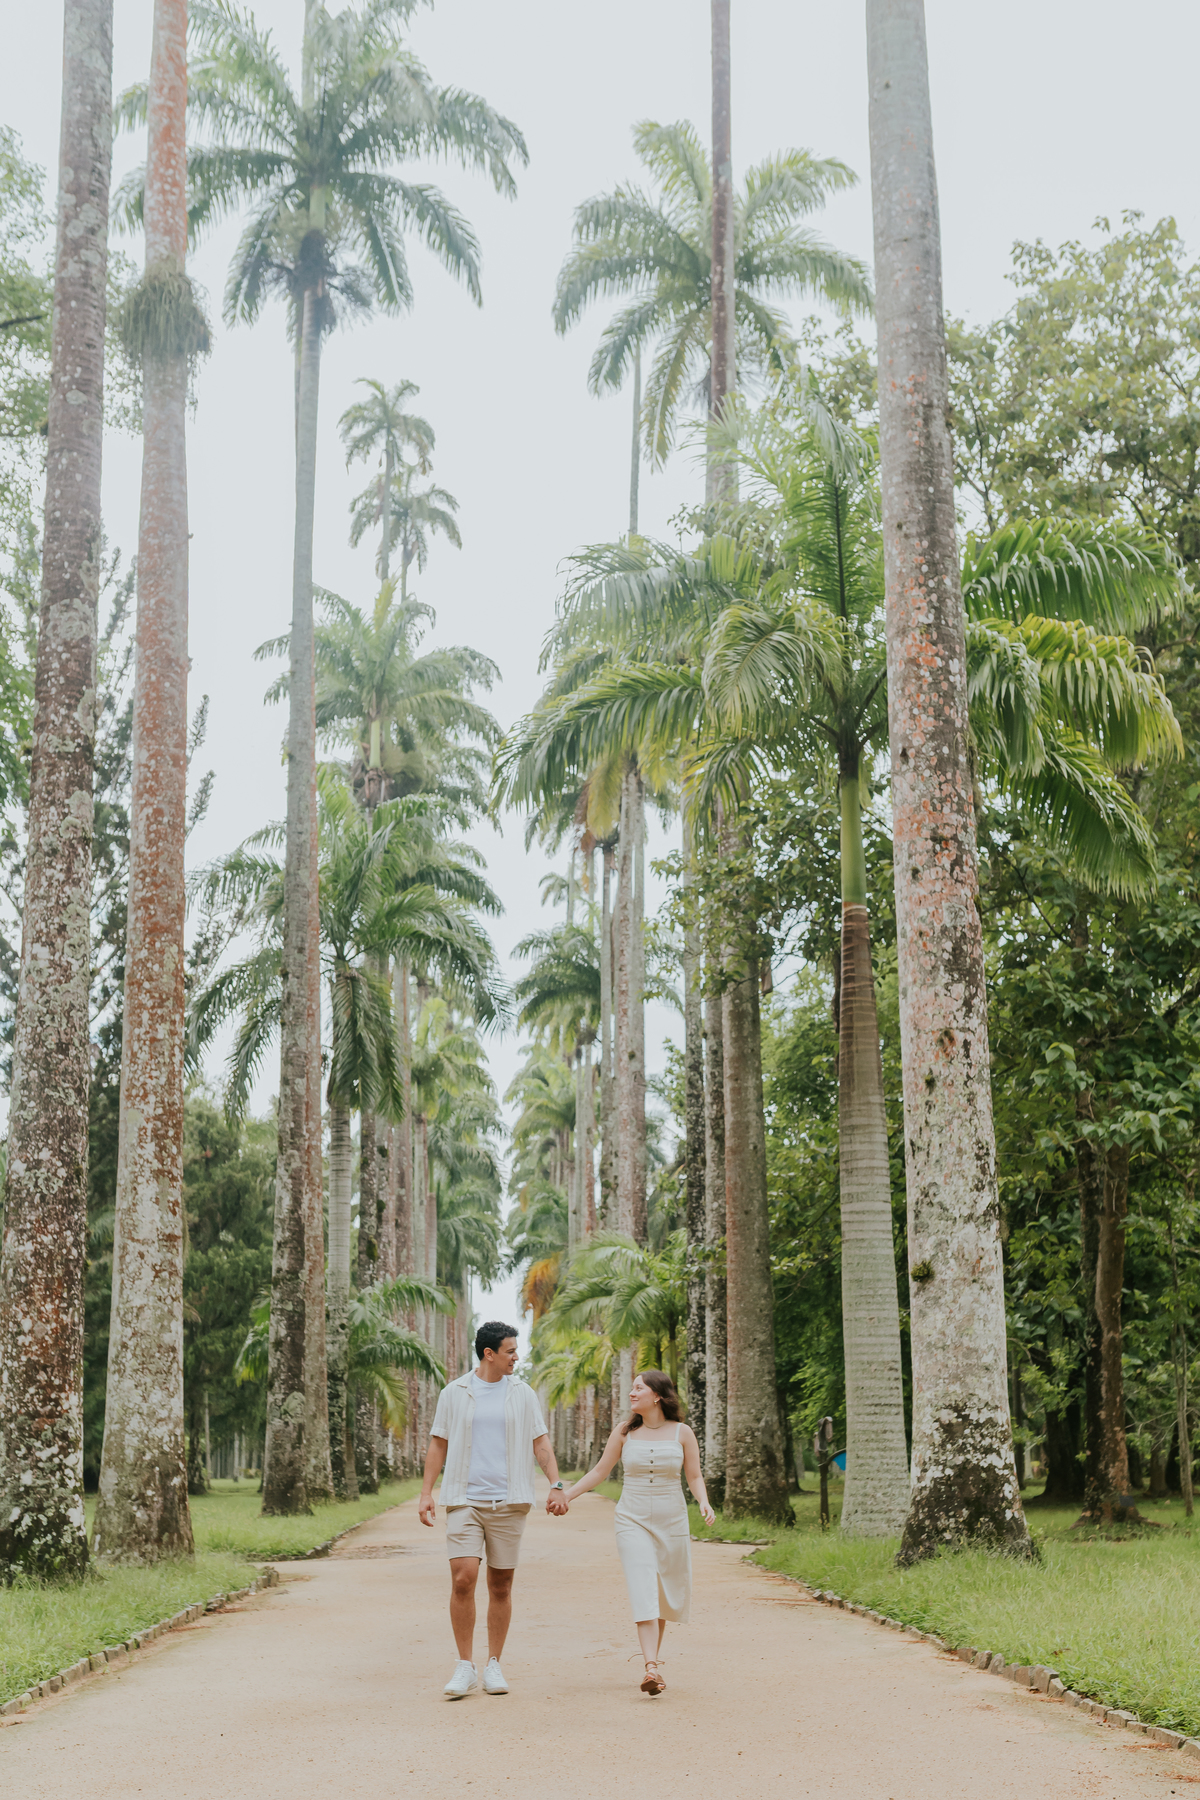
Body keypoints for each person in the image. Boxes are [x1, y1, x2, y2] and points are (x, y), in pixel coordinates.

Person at [419, 1320, 568, 1699]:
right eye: (510, 1351)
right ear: (489, 1353)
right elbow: (438, 1444)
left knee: (500, 1585)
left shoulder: (522, 1393)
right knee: (463, 1579)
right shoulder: (455, 1393)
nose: (516, 1357)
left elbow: (541, 1442)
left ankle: (494, 1664)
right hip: (465, 1499)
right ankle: (465, 1666)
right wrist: (426, 1493)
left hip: (509, 1501)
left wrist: (556, 1484)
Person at [559, 1369, 714, 1695]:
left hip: (672, 1523)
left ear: (657, 1395)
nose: (632, 1393)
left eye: (638, 1388)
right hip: (632, 1520)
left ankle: (652, 1664)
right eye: (631, 1388)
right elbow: (600, 1471)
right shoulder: (625, 1432)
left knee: (662, 1591)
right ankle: (651, 1667)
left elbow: (695, 1476)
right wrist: (566, 1495)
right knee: (643, 1584)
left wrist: (704, 1501)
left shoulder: (682, 1433)